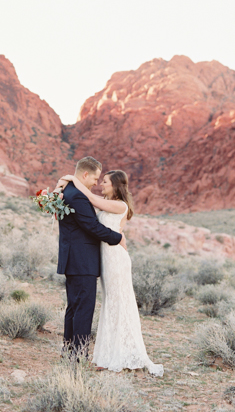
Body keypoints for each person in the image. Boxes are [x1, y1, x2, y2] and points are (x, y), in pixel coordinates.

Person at [56, 169, 164, 377]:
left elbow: (89, 197)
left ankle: (123, 354)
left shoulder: (119, 205)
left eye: (105, 181)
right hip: (104, 259)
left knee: (118, 302)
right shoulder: (107, 203)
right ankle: (109, 354)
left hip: (115, 259)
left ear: (115, 185)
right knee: (110, 303)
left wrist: (72, 180)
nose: (101, 184)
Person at [55, 156, 126, 359]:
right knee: (84, 308)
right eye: (95, 178)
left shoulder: (67, 191)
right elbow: (92, 227)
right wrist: (117, 237)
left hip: (73, 259)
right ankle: (78, 354)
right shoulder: (76, 195)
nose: (96, 183)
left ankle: (69, 349)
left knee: (74, 307)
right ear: (85, 174)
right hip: (82, 260)